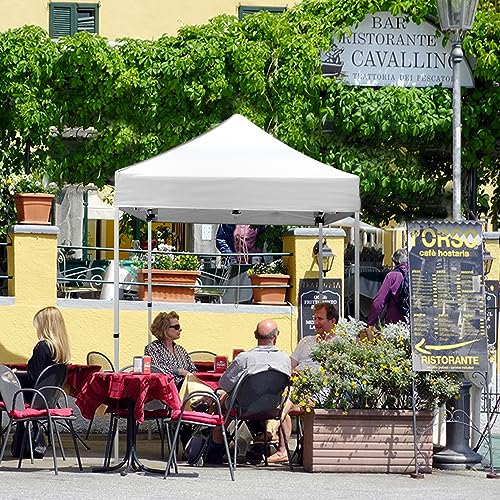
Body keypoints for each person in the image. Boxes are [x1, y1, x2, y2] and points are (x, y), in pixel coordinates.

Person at [206, 319, 291, 464]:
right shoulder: (284, 359)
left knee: (221, 399)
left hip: (242, 408)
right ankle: (282, 450)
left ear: (255, 335)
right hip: (272, 407)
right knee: (285, 413)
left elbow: (224, 384)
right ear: (275, 338)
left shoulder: (244, 358)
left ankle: (216, 448)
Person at [267, 301, 339, 464]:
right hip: (296, 385)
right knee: (283, 399)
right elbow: (290, 366)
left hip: (319, 390)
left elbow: (334, 377)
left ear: (332, 321)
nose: (316, 322)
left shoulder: (338, 344)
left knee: (286, 402)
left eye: (320, 319)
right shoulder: (306, 341)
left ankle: (275, 434)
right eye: (314, 318)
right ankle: (281, 446)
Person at [12, 306, 71, 458]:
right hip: (47, 399)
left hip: (31, 396)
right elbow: (41, 377)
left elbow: (33, 377)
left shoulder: (42, 347)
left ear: (45, 325)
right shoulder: (60, 349)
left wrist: (14, 374)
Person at [144, 311, 196, 388]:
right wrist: (179, 371)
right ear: (165, 329)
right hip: (167, 390)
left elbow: (193, 369)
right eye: (176, 327)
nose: (180, 329)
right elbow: (157, 370)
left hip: (187, 386)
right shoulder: (153, 348)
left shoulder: (180, 350)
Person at [367, 248, 408, 327]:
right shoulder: (417, 275)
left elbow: (378, 302)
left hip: (395, 324)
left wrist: (371, 323)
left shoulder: (392, 276)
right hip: (416, 325)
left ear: (396, 261)